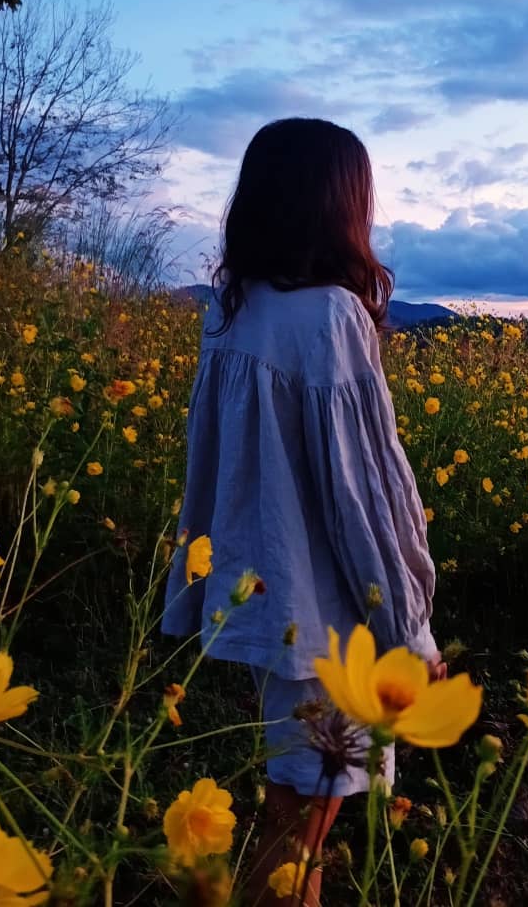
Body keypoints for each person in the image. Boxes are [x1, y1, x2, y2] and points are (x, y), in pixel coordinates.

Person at [161, 117, 442, 905]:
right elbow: (368, 493)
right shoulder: (329, 320)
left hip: (263, 595)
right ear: (338, 207)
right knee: (297, 833)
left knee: (293, 820)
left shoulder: (233, 314)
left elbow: (211, 467)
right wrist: (410, 631)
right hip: (329, 617)